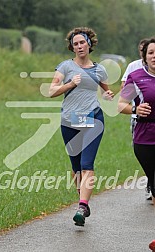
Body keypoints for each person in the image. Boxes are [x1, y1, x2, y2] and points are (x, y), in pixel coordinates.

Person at [49, 27, 114, 226]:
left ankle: (82, 206)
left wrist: (107, 95)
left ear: (89, 44)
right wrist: (69, 85)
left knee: (87, 164)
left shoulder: (98, 69)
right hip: (70, 121)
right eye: (75, 44)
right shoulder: (65, 67)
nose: (79, 46)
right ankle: (81, 202)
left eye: (82, 42)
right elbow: (51, 91)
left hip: (93, 118)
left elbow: (106, 89)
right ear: (72, 47)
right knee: (76, 168)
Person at [118, 37, 155, 207]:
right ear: (145, 56)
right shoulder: (136, 76)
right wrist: (135, 110)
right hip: (144, 136)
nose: (154, 56)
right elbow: (121, 105)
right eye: (151, 53)